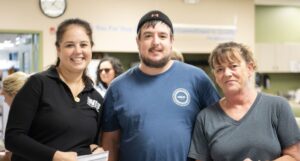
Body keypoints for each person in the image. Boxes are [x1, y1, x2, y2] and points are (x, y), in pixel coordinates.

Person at [102, 10, 220, 161]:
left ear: (171, 40)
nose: (155, 42)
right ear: (138, 41)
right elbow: (110, 142)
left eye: (162, 36)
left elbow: (219, 128)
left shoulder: (197, 79)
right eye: (148, 36)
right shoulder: (117, 88)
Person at [5, 18, 103, 161]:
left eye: (84, 44)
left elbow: (91, 141)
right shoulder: (38, 84)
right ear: (58, 49)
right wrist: (54, 156)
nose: (78, 51)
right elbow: (13, 138)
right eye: (70, 45)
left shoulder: (96, 98)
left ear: (91, 48)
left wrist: (95, 147)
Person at [188, 42, 300, 161]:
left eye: (233, 66)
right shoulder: (205, 118)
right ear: (215, 76)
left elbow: (295, 156)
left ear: (250, 68)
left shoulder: (277, 106)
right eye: (219, 69)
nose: (227, 73)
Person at [0, 71, 28, 161]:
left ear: (15, 94)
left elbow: (9, 157)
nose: (4, 101)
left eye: (5, 96)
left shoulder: (20, 120)